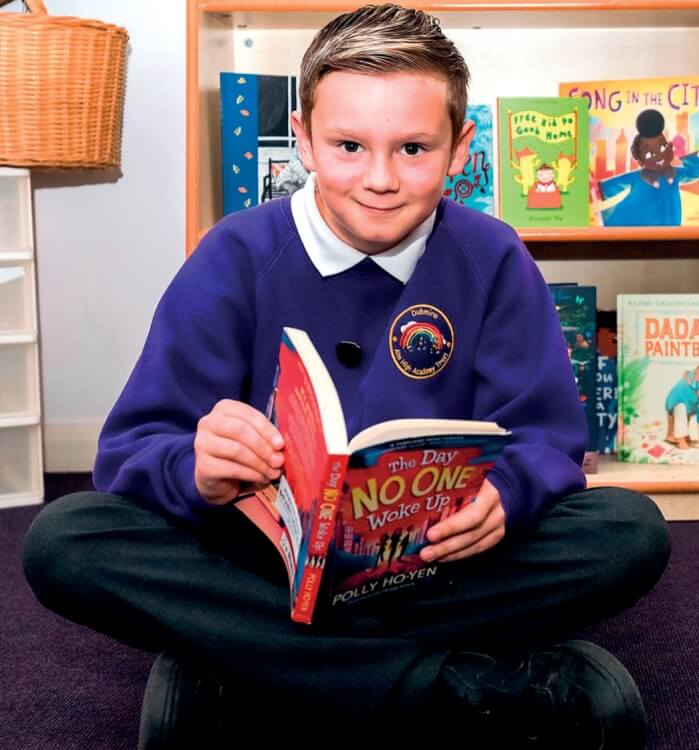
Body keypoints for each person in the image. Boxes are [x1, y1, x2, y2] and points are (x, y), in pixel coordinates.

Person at [23, 4, 670, 747]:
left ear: (460, 148)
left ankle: (247, 670)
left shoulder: (491, 255)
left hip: (438, 558)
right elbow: (132, 448)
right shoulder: (233, 253)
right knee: (67, 539)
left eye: (413, 149)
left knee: (628, 530)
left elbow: (549, 434)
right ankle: (459, 688)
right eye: (348, 146)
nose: (380, 179)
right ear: (301, 140)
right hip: (263, 560)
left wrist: (506, 494)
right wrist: (194, 466)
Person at [665, 364, 699, 449]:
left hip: (691, 403)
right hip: (677, 401)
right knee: (681, 408)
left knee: (694, 416)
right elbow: (681, 393)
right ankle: (680, 439)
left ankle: (688, 436)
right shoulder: (688, 378)